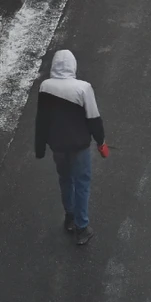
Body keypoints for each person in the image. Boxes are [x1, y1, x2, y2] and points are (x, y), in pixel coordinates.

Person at [34, 50, 109, 245]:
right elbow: (94, 119)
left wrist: (40, 147)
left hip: (57, 146)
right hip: (79, 147)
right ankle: (82, 227)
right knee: (82, 183)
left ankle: (69, 217)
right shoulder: (83, 88)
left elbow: (41, 120)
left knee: (65, 180)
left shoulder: (45, 87)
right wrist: (101, 142)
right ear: (72, 66)